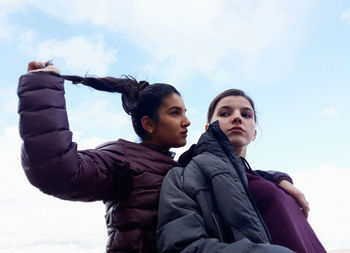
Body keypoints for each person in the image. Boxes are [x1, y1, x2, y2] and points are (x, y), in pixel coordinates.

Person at [18, 63, 310, 253]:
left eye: (185, 112)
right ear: (148, 124)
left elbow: (228, 165)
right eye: (175, 113)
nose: (186, 121)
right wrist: (41, 87)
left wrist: (277, 179)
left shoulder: (179, 168)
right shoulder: (122, 158)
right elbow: (56, 169)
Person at [156, 89, 326, 253]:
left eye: (246, 115)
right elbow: (182, 246)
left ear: (254, 133)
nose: (237, 117)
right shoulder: (183, 177)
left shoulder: (264, 178)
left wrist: (280, 179)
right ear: (208, 128)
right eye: (224, 113)